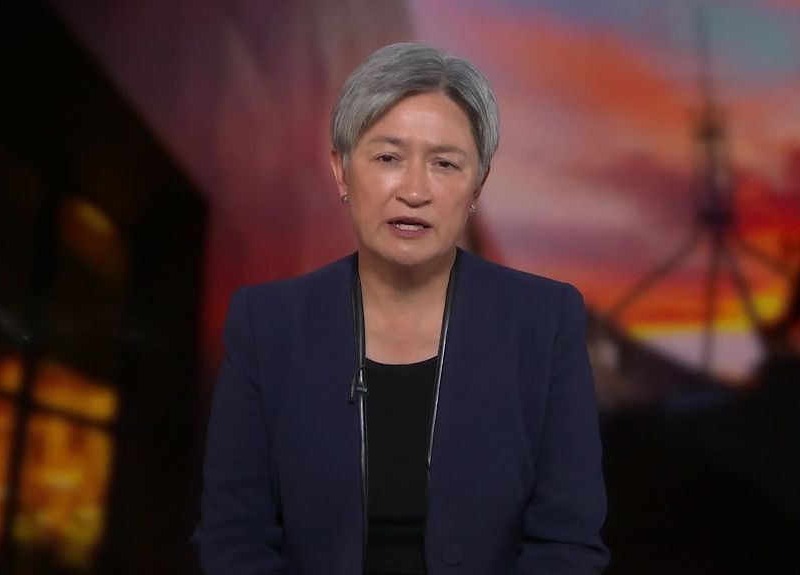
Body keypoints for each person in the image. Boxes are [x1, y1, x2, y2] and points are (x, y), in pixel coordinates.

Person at [195, 42, 609, 574]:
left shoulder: (545, 321)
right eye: (388, 158)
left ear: (477, 185)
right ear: (342, 171)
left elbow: (568, 544)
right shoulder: (267, 324)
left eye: (444, 164)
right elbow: (234, 540)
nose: (414, 190)